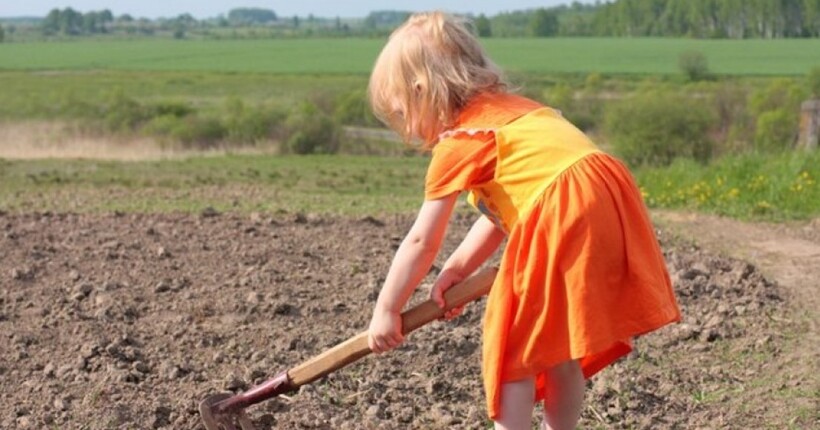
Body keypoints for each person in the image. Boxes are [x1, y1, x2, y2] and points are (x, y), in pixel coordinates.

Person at [366, 11, 681, 430]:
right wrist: (458, 269)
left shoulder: (463, 140)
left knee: (515, 348)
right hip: (604, 191)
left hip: (561, 206)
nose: (407, 127)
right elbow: (506, 213)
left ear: (422, 91)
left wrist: (387, 309)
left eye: (403, 112)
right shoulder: (521, 114)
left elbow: (422, 240)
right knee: (559, 341)